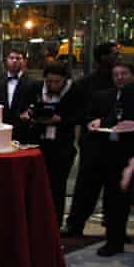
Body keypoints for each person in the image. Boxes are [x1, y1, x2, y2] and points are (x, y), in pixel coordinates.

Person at [62, 43, 120, 237]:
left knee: (116, 190)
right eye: (113, 54)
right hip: (94, 144)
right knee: (87, 186)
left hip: (118, 144)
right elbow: (75, 112)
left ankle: (114, 229)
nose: (117, 57)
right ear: (103, 57)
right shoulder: (86, 84)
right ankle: (75, 224)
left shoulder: (122, 82)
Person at [18, 62, 83, 223]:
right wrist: (28, 114)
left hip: (61, 146)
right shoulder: (36, 88)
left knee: (57, 187)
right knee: (34, 186)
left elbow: (81, 115)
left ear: (65, 80)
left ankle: (55, 222)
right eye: (49, 81)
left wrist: (61, 120)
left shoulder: (74, 91)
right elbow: (25, 107)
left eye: (56, 82)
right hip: (37, 142)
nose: (52, 85)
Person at [83, 63, 134, 256]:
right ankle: (115, 239)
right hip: (112, 153)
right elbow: (107, 117)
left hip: (130, 152)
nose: (120, 77)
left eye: (124, 74)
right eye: (116, 74)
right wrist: (100, 122)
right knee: (114, 198)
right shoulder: (106, 95)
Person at [0, 49, 36, 142]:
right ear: (6, 60)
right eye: (11, 58)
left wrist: (30, 113)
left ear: (24, 61)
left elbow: (35, 104)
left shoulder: (32, 84)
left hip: (23, 132)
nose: (14, 61)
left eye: (18, 58)